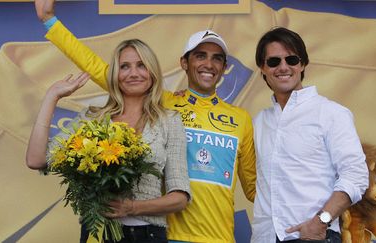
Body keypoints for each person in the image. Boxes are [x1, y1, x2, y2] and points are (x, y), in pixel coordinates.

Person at [34, 0, 256, 242]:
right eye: (200, 55)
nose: (208, 64)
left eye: (216, 58)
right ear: (184, 62)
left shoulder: (240, 118)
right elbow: (99, 68)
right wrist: (51, 22)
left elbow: (255, 188)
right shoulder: (163, 102)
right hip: (165, 232)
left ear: (225, 67)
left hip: (218, 237)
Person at [25, 39, 191, 243]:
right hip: (98, 232)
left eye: (141, 65)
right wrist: (51, 97)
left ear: (152, 72)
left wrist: (132, 207)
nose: (133, 73)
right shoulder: (92, 118)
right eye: (125, 66)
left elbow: (180, 198)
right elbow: (36, 159)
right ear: (115, 74)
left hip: (147, 235)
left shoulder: (170, 121)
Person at [252, 27, 369, 242]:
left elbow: (356, 176)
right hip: (264, 236)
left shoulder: (331, 113)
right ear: (263, 68)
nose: (283, 67)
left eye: (292, 59)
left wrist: (321, 221)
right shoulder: (259, 122)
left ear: (303, 64)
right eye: (274, 61)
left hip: (314, 236)